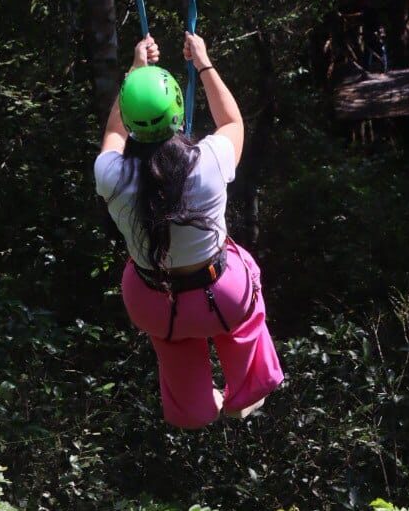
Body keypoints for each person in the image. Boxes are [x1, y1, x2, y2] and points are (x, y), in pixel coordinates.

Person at [94, 31, 283, 428]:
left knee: (171, 338)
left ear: (129, 116)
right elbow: (232, 121)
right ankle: (248, 388)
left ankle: (195, 408)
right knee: (244, 275)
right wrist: (203, 62)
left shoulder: (110, 175)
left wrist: (135, 72)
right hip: (221, 295)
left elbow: (113, 134)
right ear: (177, 111)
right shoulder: (209, 161)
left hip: (155, 303)